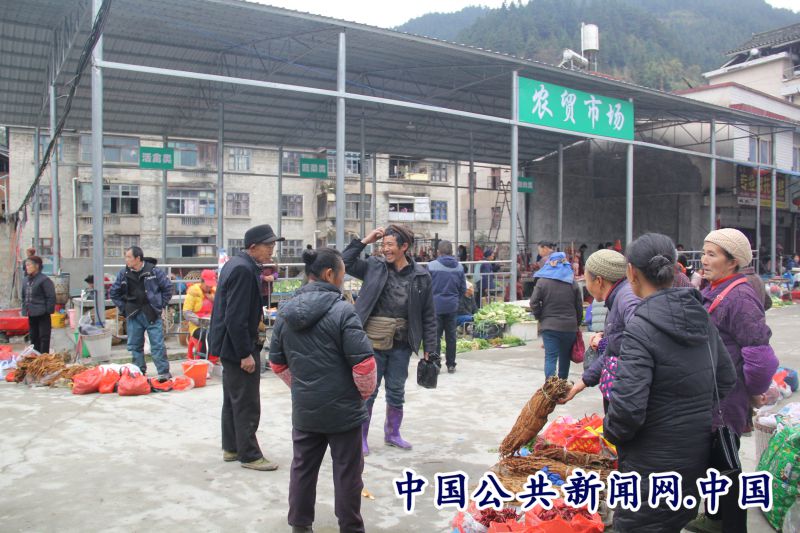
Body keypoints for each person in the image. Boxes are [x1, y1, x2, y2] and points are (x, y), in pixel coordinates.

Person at [604, 233, 737, 533]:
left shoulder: (641, 327)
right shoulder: (701, 316)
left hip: (649, 468)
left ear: (631, 273)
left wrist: (611, 431)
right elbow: (726, 379)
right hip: (694, 458)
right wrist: (692, 411)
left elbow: (627, 410)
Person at [269, 248, 376, 533]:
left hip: (306, 410)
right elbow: (364, 365)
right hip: (344, 412)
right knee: (348, 473)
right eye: (342, 274)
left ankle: (300, 525)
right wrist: (361, 395)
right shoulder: (344, 311)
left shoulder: (286, 312)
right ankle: (350, 527)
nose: (343, 279)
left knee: (302, 468)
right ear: (330, 274)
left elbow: (276, 363)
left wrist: (302, 387)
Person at [686, 228, 779, 533]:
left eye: (712, 254)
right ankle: (714, 519)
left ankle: (733, 527)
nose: (704, 260)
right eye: (704, 253)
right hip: (711, 393)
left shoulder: (740, 297)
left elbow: (761, 357)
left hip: (726, 398)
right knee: (713, 463)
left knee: (727, 467)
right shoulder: (716, 289)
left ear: (733, 260)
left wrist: (754, 392)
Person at [342, 224, 437, 455]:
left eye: (390, 245)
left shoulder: (421, 276)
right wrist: (365, 240)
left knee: (396, 390)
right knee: (368, 391)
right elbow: (344, 262)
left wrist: (430, 348)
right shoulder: (374, 266)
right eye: (383, 245)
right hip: (371, 342)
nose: (385, 249)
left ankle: (393, 434)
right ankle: (360, 438)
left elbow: (428, 315)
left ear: (404, 246)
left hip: (402, 344)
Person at [209, 224, 283, 472]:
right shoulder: (242, 269)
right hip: (237, 346)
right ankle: (249, 455)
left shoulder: (238, 264)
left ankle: (232, 447)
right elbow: (235, 317)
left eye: (273, 245)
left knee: (233, 398)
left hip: (228, 344)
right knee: (247, 402)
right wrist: (245, 354)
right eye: (268, 246)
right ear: (252, 247)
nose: (271, 250)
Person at [560, 250, 640, 411]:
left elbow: (639, 340)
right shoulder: (620, 296)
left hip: (629, 397)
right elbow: (613, 350)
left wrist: (603, 343)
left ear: (598, 281)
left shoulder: (627, 299)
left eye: (586, 278)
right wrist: (580, 385)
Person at [110, 246, 173, 381]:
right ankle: (138, 372)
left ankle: (163, 373)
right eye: (126, 257)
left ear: (138, 258)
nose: (126, 260)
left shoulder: (154, 271)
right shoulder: (123, 273)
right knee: (134, 346)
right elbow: (114, 293)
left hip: (151, 313)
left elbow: (167, 288)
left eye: (129, 257)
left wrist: (160, 305)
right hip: (133, 314)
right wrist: (124, 308)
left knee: (157, 344)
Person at [529, 252, 582, 379]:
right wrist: (577, 324)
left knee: (551, 357)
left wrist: (540, 317)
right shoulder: (572, 283)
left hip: (549, 326)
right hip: (569, 327)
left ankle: (550, 387)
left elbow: (533, 302)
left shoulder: (542, 282)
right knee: (565, 357)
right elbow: (579, 307)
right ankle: (562, 386)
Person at [428, 240, 466, 373]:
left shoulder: (431, 266)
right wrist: (456, 299)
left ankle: (436, 364)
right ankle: (451, 364)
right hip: (452, 306)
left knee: (435, 337)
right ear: (452, 252)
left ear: (438, 252)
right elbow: (463, 288)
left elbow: (426, 287)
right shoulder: (459, 267)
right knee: (451, 336)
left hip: (435, 306)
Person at [22, 256, 55, 354]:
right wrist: (25, 310)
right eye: (26, 265)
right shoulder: (25, 280)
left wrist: (47, 311)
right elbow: (23, 296)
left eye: (29, 265)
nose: (27, 267)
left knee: (44, 337)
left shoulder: (44, 280)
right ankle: (36, 357)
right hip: (31, 313)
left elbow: (51, 297)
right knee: (33, 337)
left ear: (37, 266)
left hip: (42, 313)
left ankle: (44, 357)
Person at [184, 269, 217, 362]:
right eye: (207, 286)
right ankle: (203, 361)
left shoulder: (214, 293)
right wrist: (201, 322)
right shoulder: (193, 292)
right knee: (207, 335)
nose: (209, 288)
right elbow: (186, 312)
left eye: (211, 286)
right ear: (202, 282)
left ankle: (216, 358)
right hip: (197, 326)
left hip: (212, 324)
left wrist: (214, 300)